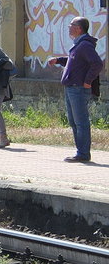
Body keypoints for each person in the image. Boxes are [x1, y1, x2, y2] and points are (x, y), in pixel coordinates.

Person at [47, 17, 104, 163]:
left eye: (71, 25)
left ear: (78, 28)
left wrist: (87, 82)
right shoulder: (79, 45)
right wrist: (59, 60)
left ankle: (83, 154)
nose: (68, 27)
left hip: (78, 88)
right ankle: (81, 152)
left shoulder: (84, 45)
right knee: (73, 121)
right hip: (71, 88)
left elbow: (97, 64)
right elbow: (76, 61)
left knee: (80, 122)